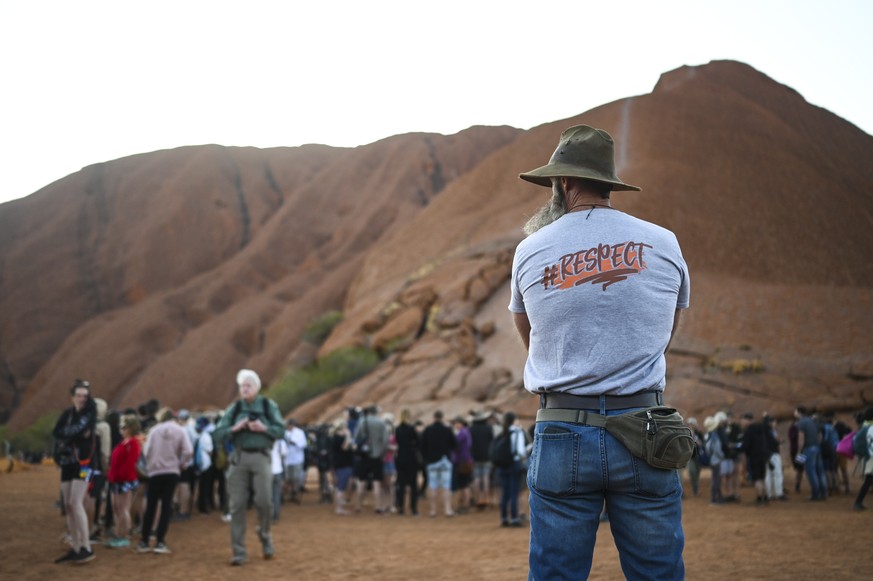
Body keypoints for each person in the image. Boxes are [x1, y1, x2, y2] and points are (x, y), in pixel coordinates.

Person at [510, 125, 690, 580]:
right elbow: (666, 330)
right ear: (608, 184)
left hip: (563, 428)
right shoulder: (664, 241)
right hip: (646, 429)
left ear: (564, 183)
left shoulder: (530, 249)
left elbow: (529, 335)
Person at [213, 369, 285, 566]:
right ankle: (239, 552)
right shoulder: (234, 408)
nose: (244, 389)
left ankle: (265, 535)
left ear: (257, 387)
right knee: (236, 506)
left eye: (248, 385)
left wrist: (264, 428)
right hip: (238, 458)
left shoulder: (268, 406)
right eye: (242, 386)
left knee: (264, 502)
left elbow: (281, 431)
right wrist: (234, 428)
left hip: (261, 457)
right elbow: (217, 433)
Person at [52, 379, 98, 564]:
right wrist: (73, 434)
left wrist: (68, 434)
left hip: (85, 464)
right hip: (68, 464)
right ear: (72, 397)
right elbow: (57, 432)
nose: (81, 399)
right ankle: (76, 546)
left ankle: (86, 547)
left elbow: (75, 432)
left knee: (75, 502)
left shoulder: (89, 414)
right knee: (68, 506)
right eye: (78, 396)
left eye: (84, 396)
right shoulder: (67, 414)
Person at [136, 408, 193, 555]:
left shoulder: (154, 430)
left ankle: (144, 541)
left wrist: (152, 463)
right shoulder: (179, 430)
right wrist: (181, 463)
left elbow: (146, 451)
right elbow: (188, 451)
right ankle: (160, 541)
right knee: (166, 505)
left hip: (155, 472)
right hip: (172, 471)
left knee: (151, 505)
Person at [105, 417, 142, 548]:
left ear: (130, 428)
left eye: (124, 427)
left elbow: (130, 463)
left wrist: (120, 476)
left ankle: (124, 536)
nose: (121, 429)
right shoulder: (125, 442)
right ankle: (118, 533)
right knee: (116, 507)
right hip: (116, 479)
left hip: (125, 480)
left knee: (123, 509)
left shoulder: (133, 443)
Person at [352, 405, 390, 514]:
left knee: (361, 482)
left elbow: (356, 437)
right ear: (376, 412)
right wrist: (381, 453)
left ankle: (357, 506)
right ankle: (377, 507)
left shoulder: (362, 422)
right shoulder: (381, 423)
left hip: (364, 456)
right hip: (376, 456)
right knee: (376, 482)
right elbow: (385, 441)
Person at [421, 410, 457, 517]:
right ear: (442, 417)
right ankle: (447, 509)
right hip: (445, 461)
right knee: (446, 486)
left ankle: (433, 510)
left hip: (432, 462)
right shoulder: (447, 430)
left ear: (434, 417)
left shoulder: (428, 430)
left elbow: (422, 446)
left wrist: (426, 458)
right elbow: (454, 445)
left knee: (433, 485)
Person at [497, 412, 527, 527]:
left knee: (505, 493)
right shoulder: (517, 431)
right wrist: (524, 457)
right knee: (514, 492)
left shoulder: (503, 431)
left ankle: (504, 518)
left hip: (503, 465)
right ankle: (514, 518)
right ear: (514, 420)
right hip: (514, 463)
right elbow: (520, 451)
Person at [794, 406, 827, 501]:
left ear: (799, 412)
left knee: (811, 471)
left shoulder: (801, 423)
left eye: (795, 411)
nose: (794, 413)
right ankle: (823, 493)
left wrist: (799, 452)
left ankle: (815, 494)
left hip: (808, 449)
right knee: (820, 471)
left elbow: (801, 439)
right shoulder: (813, 421)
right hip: (817, 448)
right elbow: (820, 435)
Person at [739, 412, 770, 505]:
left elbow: (745, 446)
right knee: (762, 477)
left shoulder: (749, 431)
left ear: (748, 420)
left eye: (743, 420)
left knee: (757, 478)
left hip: (754, 456)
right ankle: (765, 497)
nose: (742, 423)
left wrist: (737, 449)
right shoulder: (761, 428)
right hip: (763, 456)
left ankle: (760, 497)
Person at [394, 409, 421, 516]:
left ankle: (400, 508)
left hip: (400, 458)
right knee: (413, 485)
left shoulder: (397, 429)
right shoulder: (412, 429)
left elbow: (397, 441)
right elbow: (418, 442)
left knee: (401, 484)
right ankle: (414, 509)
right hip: (411, 458)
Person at [469, 411, 494, 509]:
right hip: (487, 457)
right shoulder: (488, 428)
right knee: (486, 477)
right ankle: (486, 498)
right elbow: (492, 442)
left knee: (476, 478)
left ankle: (478, 498)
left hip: (474, 457)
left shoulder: (471, 429)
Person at [330, 420, 355, 515]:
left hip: (342, 464)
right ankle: (339, 508)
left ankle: (340, 505)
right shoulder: (338, 438)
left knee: (343, 486)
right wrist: (348, 436)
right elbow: (344, 447)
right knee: (341, 487)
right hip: (342, 465)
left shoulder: (337, 437)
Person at [451, 416, 474, 513]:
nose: (456, 425)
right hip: (465, 460)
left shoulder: (462, 433)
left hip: (462, 461)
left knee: (463, 484)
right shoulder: (466, 432)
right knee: (464, 484)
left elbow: (454, 444)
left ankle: (464, 505)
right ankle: (465, 504)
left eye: (457, 423)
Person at [852, 407, 873, 511]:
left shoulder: (865, 427)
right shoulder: (869, 428)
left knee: (868, 481)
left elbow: (855, 441)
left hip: (869, 458)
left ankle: (858, 502)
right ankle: (857, 502)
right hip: (871, 458)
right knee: (868, 481)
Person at [283, 419, 307, 504]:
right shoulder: (285, 433)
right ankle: (288, 494)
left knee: (296, 477)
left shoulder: (299, 432)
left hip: (297, 458)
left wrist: (294, 442)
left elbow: (303, 444)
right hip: (287, 459)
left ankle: (295, 493)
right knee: (287, 478)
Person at [704, 416, 725, 505]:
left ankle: (716, 497)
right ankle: (715, 499)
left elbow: (707, 449)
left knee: (715, 479)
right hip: (716, 460)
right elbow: (717, 450)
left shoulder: (707, 435)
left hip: (712, 460)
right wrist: (722, 455)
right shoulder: (714, 436)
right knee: (716, 480)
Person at [685, 417, 704, 497]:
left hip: (698, 455)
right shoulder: (686, 433)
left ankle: (696, 488)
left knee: (697, 472)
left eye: (692, 424)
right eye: (690, 424)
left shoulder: (698, 433)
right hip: (690, 456)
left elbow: (702, 443)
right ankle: (694, 489)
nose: (691, 426)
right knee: (692, 472)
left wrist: (699, 442)